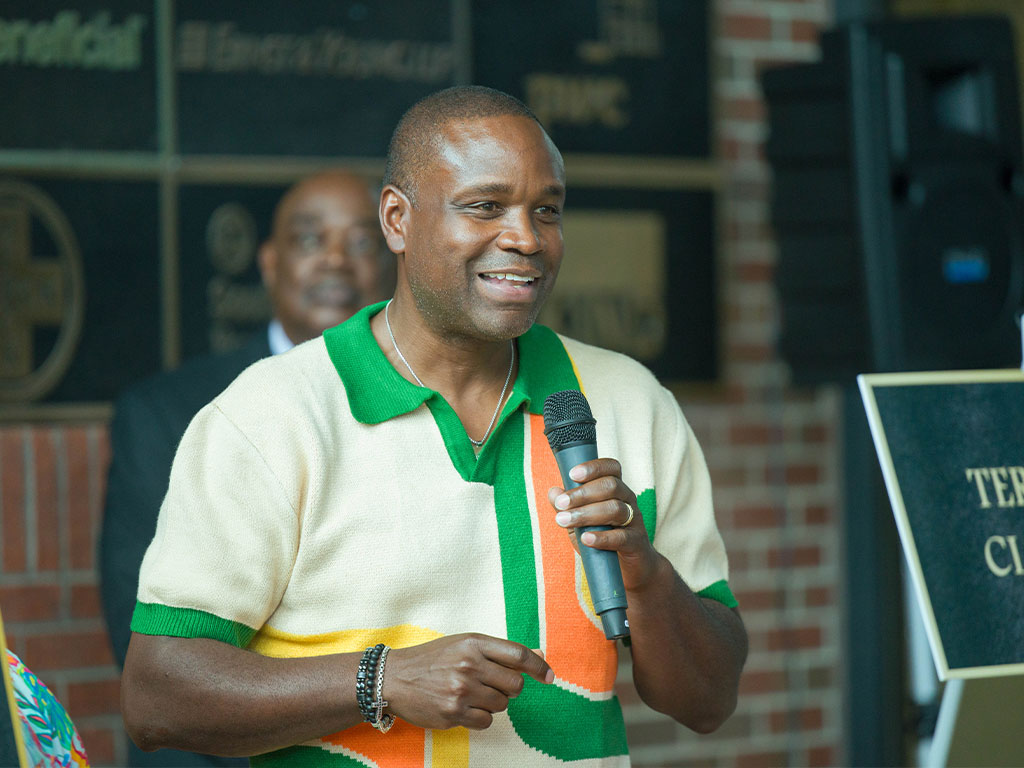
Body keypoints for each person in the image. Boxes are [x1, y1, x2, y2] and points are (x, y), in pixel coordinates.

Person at [120, 86, 747, 766]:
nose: (526, 239)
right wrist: (380, 680)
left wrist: (646, 573)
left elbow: (707, 701)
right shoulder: (272, 415)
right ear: (397, 219)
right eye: (485, 206)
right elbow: (156, 696)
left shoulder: (631, 402)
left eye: (548, 211)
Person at [100, 170, 393, 767]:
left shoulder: (432, 404)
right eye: (310, 240)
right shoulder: (166, 413)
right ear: (268, 262)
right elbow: (150, 645)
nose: (336, 261)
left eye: (362, 243)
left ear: (395, 261)